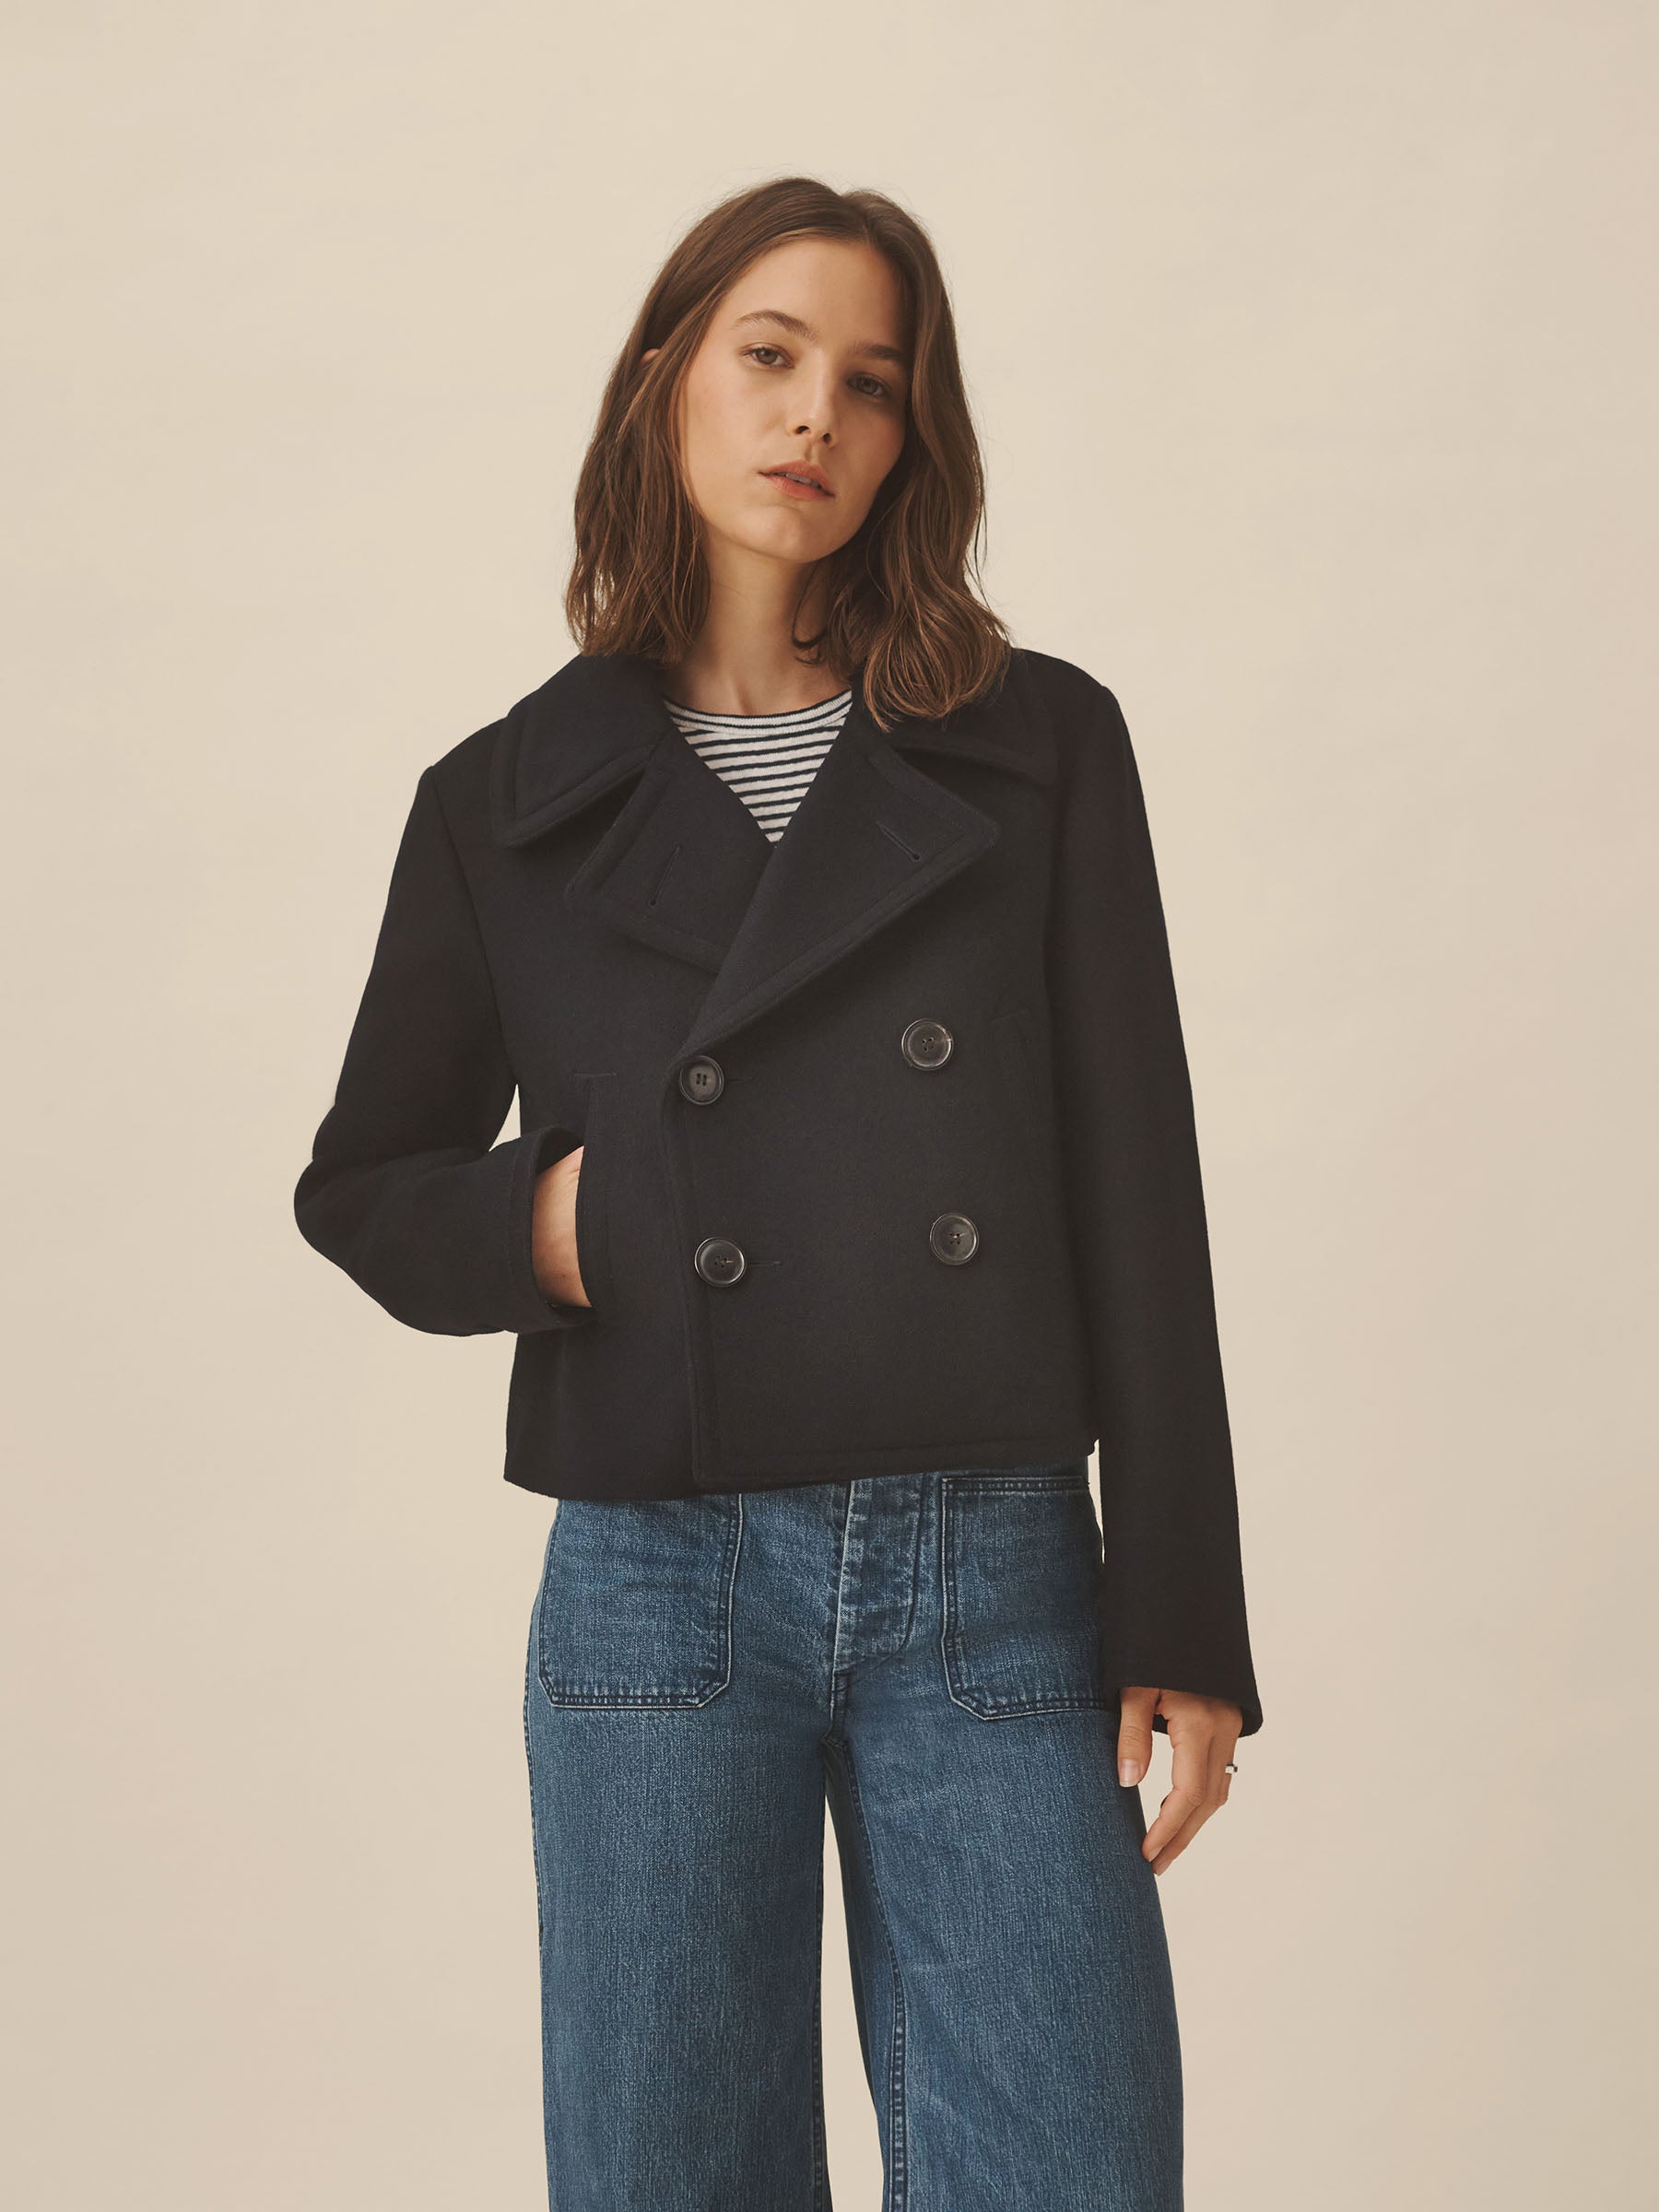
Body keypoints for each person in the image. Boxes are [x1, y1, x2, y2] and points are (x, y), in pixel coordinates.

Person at [294, 175, 1263, 2212]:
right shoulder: (501, 801)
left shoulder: (1039, 746)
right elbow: (364, 1183)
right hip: (659, 1576)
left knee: (1075, 2170)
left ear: (912, 442)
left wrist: (1181, 1603)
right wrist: (566, 1228)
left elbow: (1139, 1182)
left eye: (872, 383)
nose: (816, 411)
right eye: (769, 354)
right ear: (668, 379)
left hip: (995, 1567)